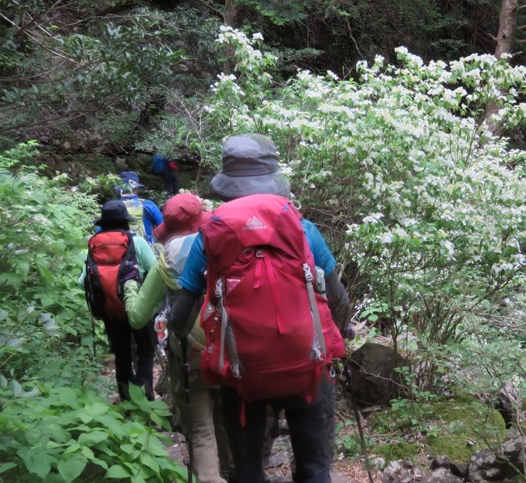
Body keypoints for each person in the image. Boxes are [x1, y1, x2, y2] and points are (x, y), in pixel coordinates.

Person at [169, 134, 352, 483]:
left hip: (242, 375)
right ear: (272, 181)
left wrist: (191, 343)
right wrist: (341, 334)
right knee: (315, 469)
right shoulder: (302, 229)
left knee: (248, 472)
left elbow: (180, 317)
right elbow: (337, 299)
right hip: (307, 367)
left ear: (227, 186)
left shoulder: (209, 237)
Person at [121, 193, 234, 483]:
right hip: (229, 346)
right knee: (227, 415)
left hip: (189, 353)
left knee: (200, 428)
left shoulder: (164, 260)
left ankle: (209, 477)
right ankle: (235, 470)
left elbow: (137, 317)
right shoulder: (221, 246)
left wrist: (130, 285)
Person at [80, 200, 157, 401]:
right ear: (125, 222)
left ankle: (126, 399)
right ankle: (145, 397)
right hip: (138, 306)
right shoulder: (136, 242)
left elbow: (83, 281)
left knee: (122, 355)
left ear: (103, 223)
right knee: (146, 351)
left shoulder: (94, 244)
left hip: (109, 309)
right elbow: (156, 271)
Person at [115, 171, 164, 246]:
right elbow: (163, 227)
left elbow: (100, 231)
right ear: (136, 189)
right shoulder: (148, 205)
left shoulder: (112, 206)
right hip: (146, 248)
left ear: (119, 190)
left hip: (120, 250)